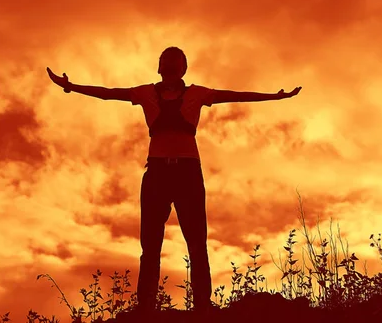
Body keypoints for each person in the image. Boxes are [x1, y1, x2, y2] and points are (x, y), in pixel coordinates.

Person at [46, 47, 302, 317]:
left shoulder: (197, 94)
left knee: (196, 242)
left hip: (188, 172)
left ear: (184, 68)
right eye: (166, 59)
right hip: (157, 173)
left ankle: (202, 306)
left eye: (176, 59)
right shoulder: (145, 92)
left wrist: (275, 97)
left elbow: (234, 96)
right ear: (159, 67)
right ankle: (146, 308)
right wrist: (72, 86)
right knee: (151, 244)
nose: (170, 63)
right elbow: (109, 93)